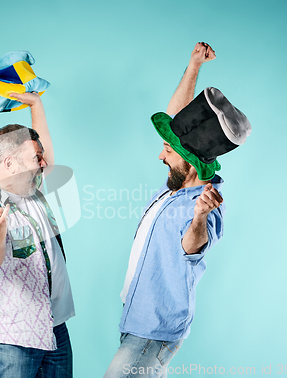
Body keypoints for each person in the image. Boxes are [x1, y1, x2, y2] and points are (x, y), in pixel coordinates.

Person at [104, 42, 251, 377]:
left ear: (190, 160)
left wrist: (199, 216)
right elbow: (176, 119)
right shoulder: (175, 184)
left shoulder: (205, 203)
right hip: (135, 319)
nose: (160, 155)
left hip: (153, 330)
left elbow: (192, 245)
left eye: (167, 150)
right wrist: (194, 66)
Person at [0, 92, 75, 378]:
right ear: (10, 164)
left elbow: (43, 149)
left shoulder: (29, 187)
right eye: (36, 158)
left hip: (55, 326)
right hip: (16, 336)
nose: (43, 163)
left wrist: (36, 105)